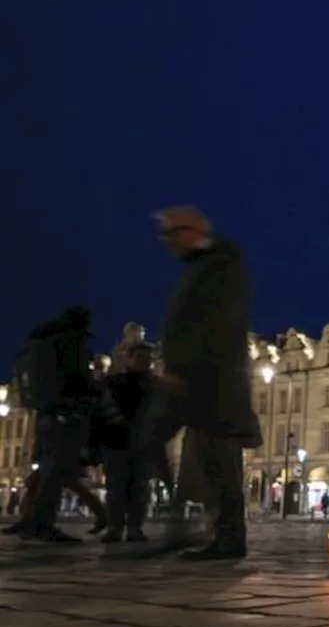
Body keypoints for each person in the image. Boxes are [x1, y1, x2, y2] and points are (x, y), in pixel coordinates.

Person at [133, 205, 261, 561]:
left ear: (191, 230)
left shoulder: (221, 264)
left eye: (171, 234)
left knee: (212, 456)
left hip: (207, 378)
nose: (167, 242)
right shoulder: (205, 263)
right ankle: (182, 527)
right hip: (196, 375)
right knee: (169, 446)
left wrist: (184, 367)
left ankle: (222, 535)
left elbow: (218, 321)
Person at [10, 307, 126, 542]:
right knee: (58, 470)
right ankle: (43, 524)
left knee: (50, 470)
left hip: (45, 412)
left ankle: (32, 521)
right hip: (67, 413)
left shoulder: (42, 345)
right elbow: (79, 379)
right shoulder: (72, 344)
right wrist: (99, 386)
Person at [102, 342, 161, 543]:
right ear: (129, 359)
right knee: (116, 486)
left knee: (140, 487)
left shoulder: (155, 385)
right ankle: (115, 527)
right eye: (140, 358)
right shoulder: (114, 382)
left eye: (148, 359)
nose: (145, 362)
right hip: (117, 440)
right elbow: (104, 409)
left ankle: (135, 526)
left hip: (143, 442)